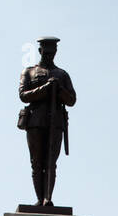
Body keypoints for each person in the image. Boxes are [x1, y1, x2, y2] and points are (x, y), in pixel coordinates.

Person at [18, 36, 76, 205]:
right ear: (40, 51)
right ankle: (39, 198)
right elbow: (23, 95)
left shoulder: (62, 74)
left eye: (53, 52)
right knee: (37, 162)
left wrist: (59, 90)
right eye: (47, 52)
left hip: (55, 123)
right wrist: (45, 88)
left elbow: (72, 100)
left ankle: (47, 198)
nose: (50, 55)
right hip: (35, 122)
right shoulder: (28, 72)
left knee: (51, 162)